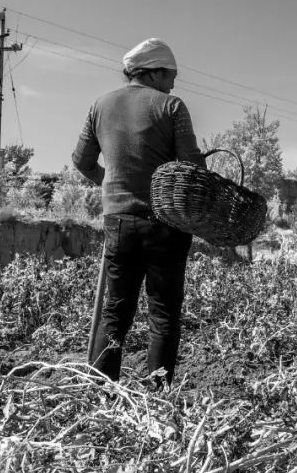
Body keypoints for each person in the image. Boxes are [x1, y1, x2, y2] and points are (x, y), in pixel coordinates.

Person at [73, 38, 206, 389]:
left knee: (115, 314)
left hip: (119, 223)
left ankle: (104, 395)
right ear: (155, 72)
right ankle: (157, 400)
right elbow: (191, 168)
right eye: (171, 75)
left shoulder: (100, 105)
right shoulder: (171, 107)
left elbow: (81, 161)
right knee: (163, 316)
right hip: (166, 226)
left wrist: (109, 182)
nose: (174, 83)